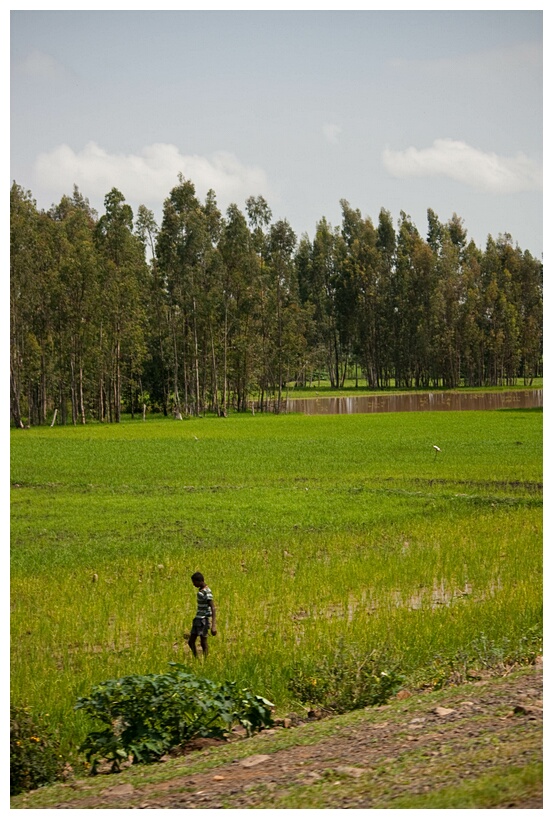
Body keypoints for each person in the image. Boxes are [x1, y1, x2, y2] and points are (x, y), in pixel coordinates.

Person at [188, 571, 217, 657]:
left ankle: (206, 660)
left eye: (194, 582)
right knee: (191, 641)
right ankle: (196, 659)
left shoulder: (207, 591)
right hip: (198, 618)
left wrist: (213, 625)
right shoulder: (201, 590)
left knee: (203, 641)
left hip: (203, 619)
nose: (193, 584)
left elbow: (213, 607)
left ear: (200, 581)